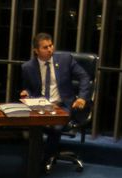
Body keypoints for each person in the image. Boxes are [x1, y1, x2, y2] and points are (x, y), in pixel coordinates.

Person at [19, 33, 92, 166]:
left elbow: (84, 77)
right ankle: (33, 157)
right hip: (40, 105)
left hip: (63, 105)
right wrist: (26, 93)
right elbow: (29, 88)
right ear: (36, 51)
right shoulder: (28, 67)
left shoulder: (65, 59)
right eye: (45, 47)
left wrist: (82, 97)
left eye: (51, 45)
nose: (50, 49)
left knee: (55, 126)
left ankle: (43, 161)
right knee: (29, 124)